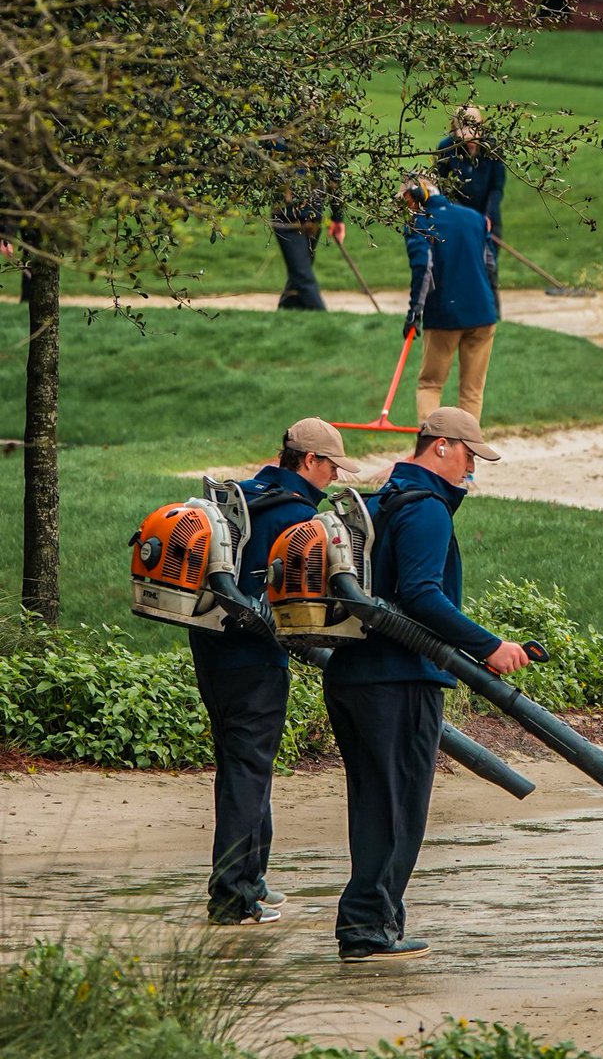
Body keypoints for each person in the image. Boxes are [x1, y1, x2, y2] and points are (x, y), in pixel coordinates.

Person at [322, 406, 530, 961]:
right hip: (399, 680)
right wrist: (489, 645)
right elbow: (420, 594)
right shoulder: (427, 508)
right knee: (398, 810)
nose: (471, 471)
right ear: (439, 447)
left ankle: (378, 920)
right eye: (468, 456)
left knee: (374, 806)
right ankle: (367, 927)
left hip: (352, 674)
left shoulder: (378, 502)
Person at [190, 417, 360, 924]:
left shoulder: (243, 493)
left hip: (211, 646)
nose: (334, 478)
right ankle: (233, 897)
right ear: (309, 461)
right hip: (255, 658)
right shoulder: (296, 515)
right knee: (248, 770)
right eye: (331, 466)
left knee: (240, 764)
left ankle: (253, 880)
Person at [400, 174, 498, 422]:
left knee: (430, 384)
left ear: (416, 195)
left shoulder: (420, 223)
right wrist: (489, 301)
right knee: (472, 390)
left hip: (444, 315)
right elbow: (490, 265)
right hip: (483, 315)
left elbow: (424, 267)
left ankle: (430, 452)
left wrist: (415, 311)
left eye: (405, 200)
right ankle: (467, 453)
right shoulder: (474, 218)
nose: (405, 207)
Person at [270, 141, 346, 311]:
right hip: (286, 219)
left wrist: (337, 218)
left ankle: (287, 309)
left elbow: (334, 179)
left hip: (313, 219)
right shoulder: (280, 135)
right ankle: (324, 320)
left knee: (299, 274)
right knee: (303, 276)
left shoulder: (322, 135)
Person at [435, 105, 505, 287]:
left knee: (488, 271)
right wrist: (467, 218)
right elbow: (443, 187)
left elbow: (496, 188)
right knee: (458, 271)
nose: (470, 142)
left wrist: (488, 217)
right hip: (456, 220)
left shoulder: (494, 149)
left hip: (488, 218)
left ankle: (493, 313)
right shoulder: (446, 148)